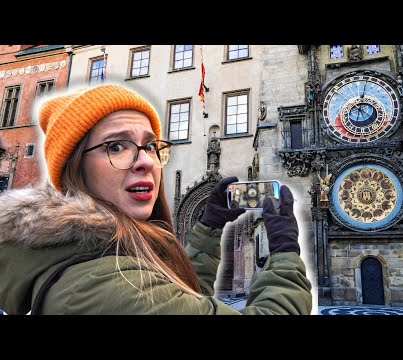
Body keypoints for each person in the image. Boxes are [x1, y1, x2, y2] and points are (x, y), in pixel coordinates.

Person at [0, 84, 312, 315]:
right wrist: (284, 251)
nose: (146, 161)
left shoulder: (96, 257)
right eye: (116, 146)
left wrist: (208, 228)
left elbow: (180, 299)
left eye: (150, 146)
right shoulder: (106, 285)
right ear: (75, 167)